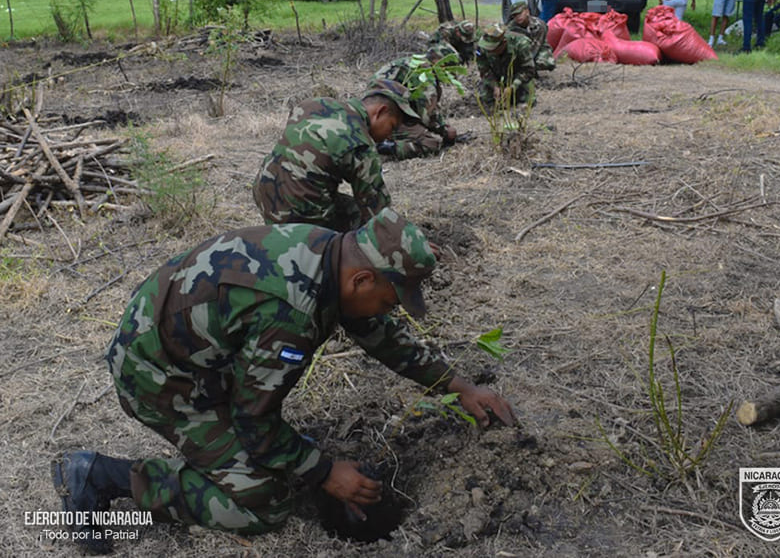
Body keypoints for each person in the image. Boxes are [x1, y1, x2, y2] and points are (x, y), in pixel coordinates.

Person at [52, 208, 517, 555]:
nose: (390, 310)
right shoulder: (291, 314)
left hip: (196, 352)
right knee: (264, 503)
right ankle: (102, 476)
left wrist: (458, 385)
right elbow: (255, 423)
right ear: (361, 279)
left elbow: (378, 332)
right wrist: (324, 470)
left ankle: (255, 457)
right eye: (391, 299)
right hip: (158, 376)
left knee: (283, 459)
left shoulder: (328, 252)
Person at [252, 80, 419, 231]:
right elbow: (377, 211)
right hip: (300, 216)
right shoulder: (361, 144)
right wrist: (407, 242)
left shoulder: (316, 104)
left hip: (265, 194)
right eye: (393, 127)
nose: (390, 136)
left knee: (344, 203)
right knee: (362, 227)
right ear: (380, 112)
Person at [368, 43, 459, 160]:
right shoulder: (425, 74)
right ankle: (384, 149)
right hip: (385, 115)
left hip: (373, 108)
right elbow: (425, 115)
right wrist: (445, 130)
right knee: (431, 142)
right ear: (439, 62)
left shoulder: (414, 63)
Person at [476, 23, 536, 109]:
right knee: (486, 100)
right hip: (496, 76)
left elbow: (529, 70)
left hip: (518, 78)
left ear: (504, 43)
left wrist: (513, 87)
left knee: (527, 102)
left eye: (493, 49)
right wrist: (494, 86)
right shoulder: (482, 46)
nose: (490, 52)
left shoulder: (521, 43)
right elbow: (484, 70)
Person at [506, 1, 556, 72]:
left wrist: (525, 63)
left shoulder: (539, 25)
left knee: (547, 62)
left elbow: (536, 46)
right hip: (518, 51)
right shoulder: (511, 27)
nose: (518, 17)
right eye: (515, 15)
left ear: (527, 12)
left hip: (539, 48)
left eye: (520, 13)